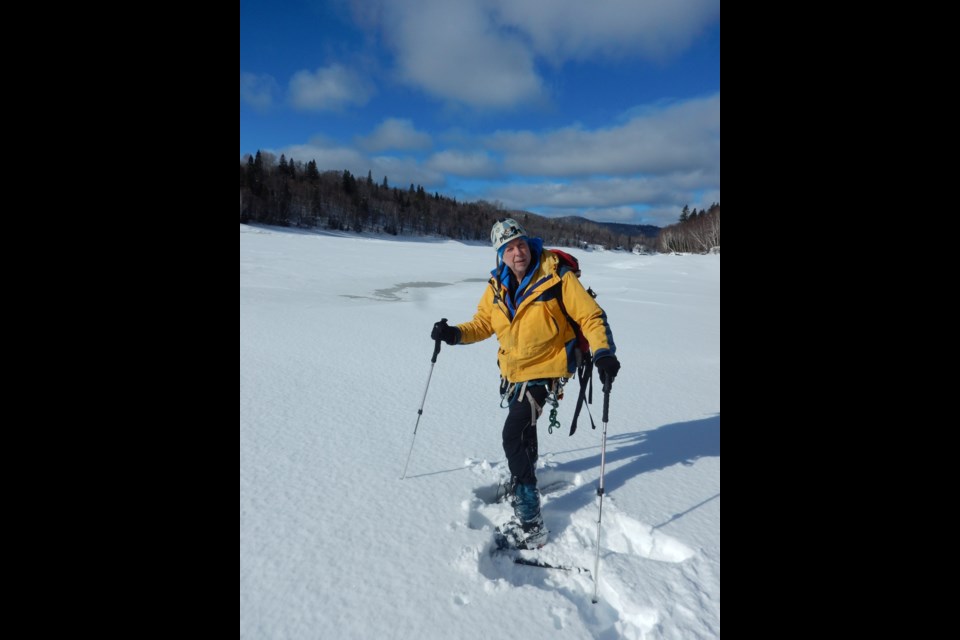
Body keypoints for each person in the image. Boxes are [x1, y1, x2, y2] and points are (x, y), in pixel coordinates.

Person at [430, 218, 620, 549]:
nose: (517, 252)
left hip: (547, 368)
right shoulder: (496, 285)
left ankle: (531, 521)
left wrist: (603, 352)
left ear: (528, 245)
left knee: (512, 434)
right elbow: (483, 323)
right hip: (515, 370)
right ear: (500, 255)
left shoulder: (556, 275)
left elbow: (590, 316)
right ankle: (524, 478)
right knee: (525, 429)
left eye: (520, 244)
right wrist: (454, 334)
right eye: (509, 248)